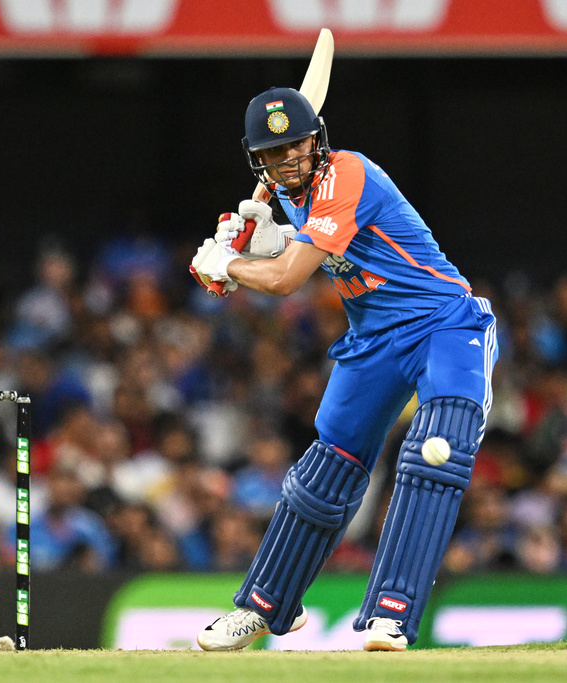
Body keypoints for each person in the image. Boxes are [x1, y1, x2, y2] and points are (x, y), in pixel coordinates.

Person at [190, 87, 498, 652]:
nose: (287, 160)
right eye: (273, 152)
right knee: (322, 478)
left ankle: (390, 615)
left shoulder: (349, 172)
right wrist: (270, 240)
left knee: (437, 451)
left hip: (443, 322)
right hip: (372, 339)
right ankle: (263, 606)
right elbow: (320, 251)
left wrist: (229, 262)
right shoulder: (293, 198)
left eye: (296, 146)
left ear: (318, 140)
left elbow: (286, 281)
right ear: (257, 158)